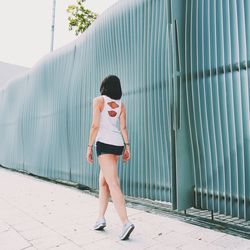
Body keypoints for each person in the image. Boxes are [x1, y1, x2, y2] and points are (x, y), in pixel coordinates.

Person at [86, 75, 135, 240]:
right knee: (104, 181)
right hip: (116, 144)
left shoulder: (99, 100)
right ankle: (100, 218)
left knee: (113, 182)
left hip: (104, 144)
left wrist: (89, 147)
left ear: (104, 86)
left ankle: (126, 222)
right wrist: (127, 147)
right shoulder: (121, 104)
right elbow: (123, 127)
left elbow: (95, 125)